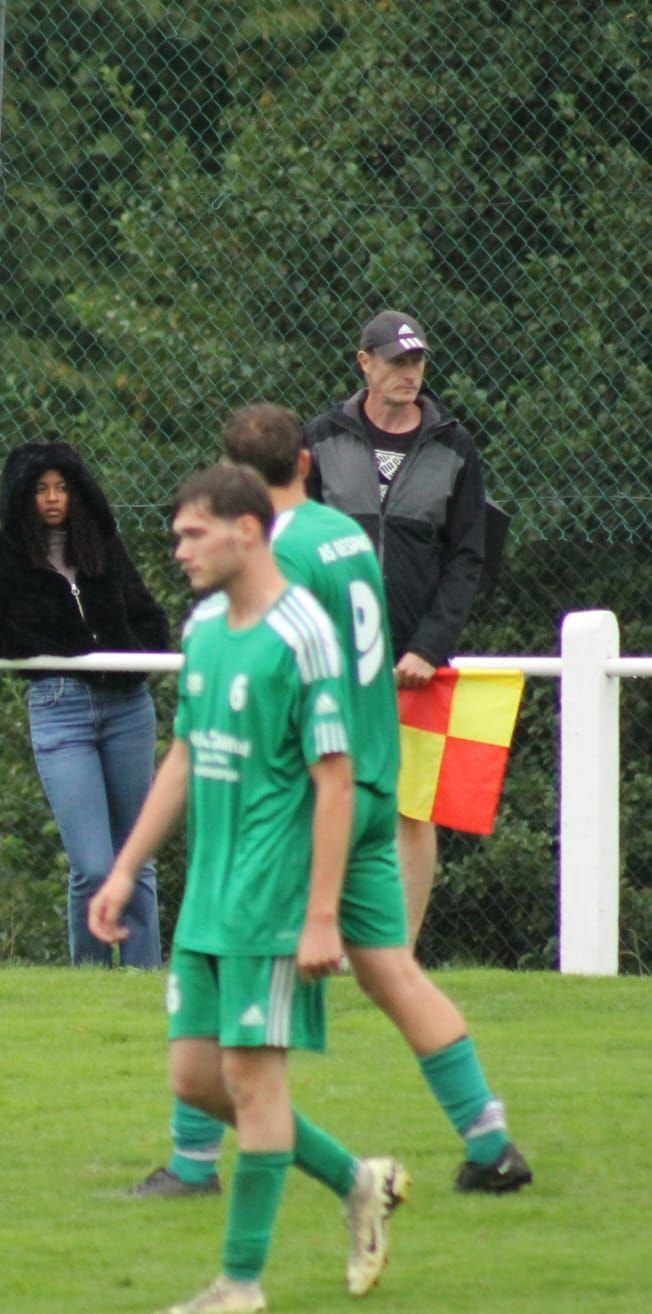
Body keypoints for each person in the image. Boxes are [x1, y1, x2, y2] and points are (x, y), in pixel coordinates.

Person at [130, 405, 531, 1205]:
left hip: (319, 789)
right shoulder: (344, 533)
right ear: (306, 464)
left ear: (235, 479)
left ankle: (194, 1162)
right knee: (389, 968)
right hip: (379, 773)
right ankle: (490, 1139)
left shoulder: (277, 553)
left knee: (229, 938)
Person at [91, 465, 410, 1312]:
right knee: (197, 1081)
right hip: (210, 897)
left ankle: (240, 1284)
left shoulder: (303, 633)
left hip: (273, 900)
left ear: (246, 530)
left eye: (193, 535)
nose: (179, 550)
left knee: (256, 1084)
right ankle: (355, 1179)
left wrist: (320, 919)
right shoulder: (203, 629)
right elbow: (190, 753)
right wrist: (125, 868)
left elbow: (335, 782)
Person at [305, 311, 487, 942]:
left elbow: (467, 558)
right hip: (330, 659)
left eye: (418, 362)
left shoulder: (454, 445)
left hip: (414, 665)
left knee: (413, 807)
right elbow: (293, 538)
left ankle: (398, 949)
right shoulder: (320, 437)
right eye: (396, 361)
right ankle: (328, 935)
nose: (410, 374)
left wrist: (428, 647)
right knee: (330, 794)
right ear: (365, 363)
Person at [0, 440, 169, 967]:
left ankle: (146, 977)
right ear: (20, 496)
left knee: (137, 857)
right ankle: (91, 979)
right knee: (94, 864)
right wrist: (51, 650)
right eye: (40, 490)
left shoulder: (103, 546)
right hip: (59, 708)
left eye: (62, 488)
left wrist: (135, 659)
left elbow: (148, 617)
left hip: (128, 706)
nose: (53, 499)